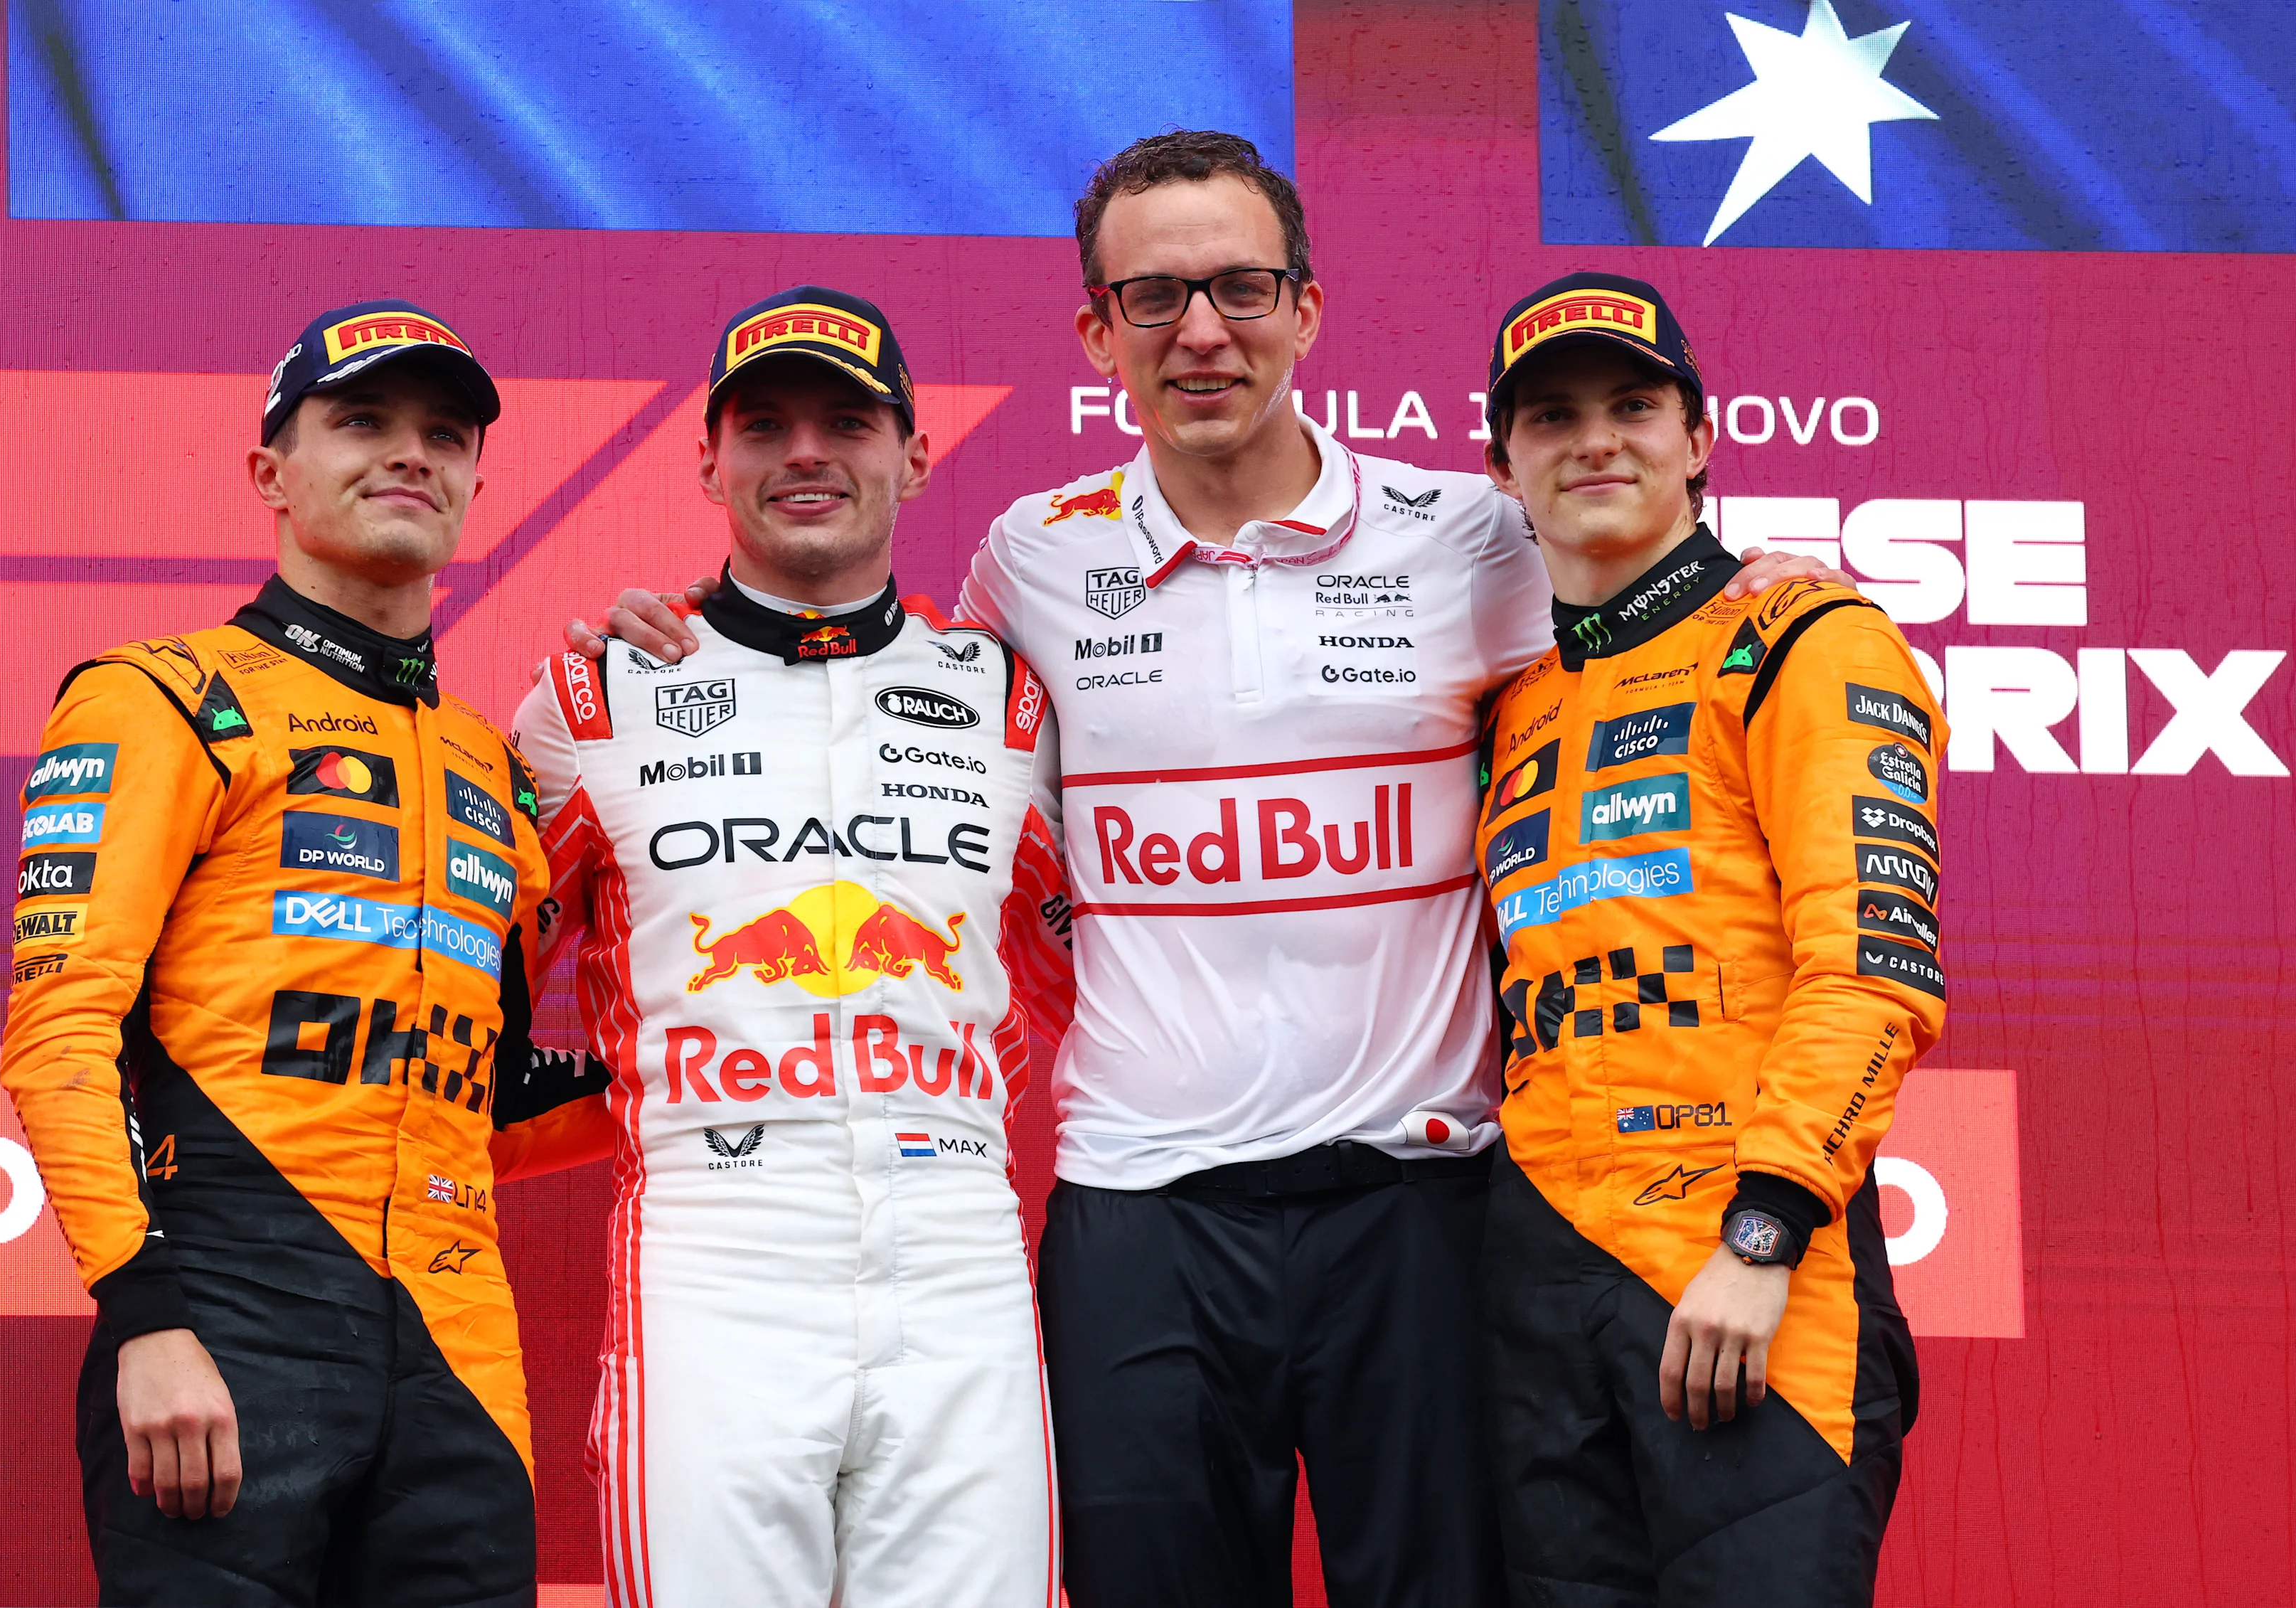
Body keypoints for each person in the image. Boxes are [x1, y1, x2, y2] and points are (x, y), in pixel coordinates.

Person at [576, 135, 1834, 1608]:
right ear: (1094, 332)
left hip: (1417, 1200)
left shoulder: (1474, 539)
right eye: (1155, 295)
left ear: (1306, 309)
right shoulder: (1029, 558)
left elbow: (1644, 609)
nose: (1203, 331)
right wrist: (677, 639)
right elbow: (856, 695)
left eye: (1240, 287)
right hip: (1139, 1211)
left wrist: (1759, 576)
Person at [0, 299, 611, 1607]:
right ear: (270, 473)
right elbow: (61, 1036)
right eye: (362, 423)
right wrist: (145, 1317)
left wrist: (708, 1079)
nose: (410, 455)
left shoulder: (496, 775)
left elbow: (488, 1105)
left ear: (474, 485)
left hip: (461, 1356)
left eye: (444, 435)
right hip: (225, 1316)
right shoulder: (163, 697)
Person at [512, 285, 1074, 1608]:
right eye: (764, 426)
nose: (807, 453)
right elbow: (463, 975)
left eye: (847, 421)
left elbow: (1113, 977)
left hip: (961, 1249)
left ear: (914, 454)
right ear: (709, 460)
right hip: (716, 1247)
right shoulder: (593, 697)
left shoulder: (1008, 699)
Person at [1472, 270, 1945, 1604]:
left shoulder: (1806, 637)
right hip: (1545, 1273)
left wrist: (1767, 1234)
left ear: (1700, 437)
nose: (1597, 440)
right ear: (1502, 461)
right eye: (1552, 417)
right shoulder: (1510, 703)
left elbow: (1874, 967)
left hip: (1746, 1272)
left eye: (1634, 403)